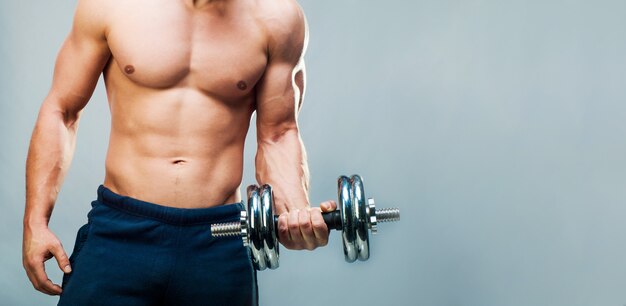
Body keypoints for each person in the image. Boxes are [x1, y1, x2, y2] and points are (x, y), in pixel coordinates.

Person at [22, 0, 337, 304]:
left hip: (219, 240)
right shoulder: (111, 5)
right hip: (121, 231)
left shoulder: (278, 18)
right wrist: (35, 222)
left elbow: (278, 134)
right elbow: (62, 111)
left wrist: (295, 212)